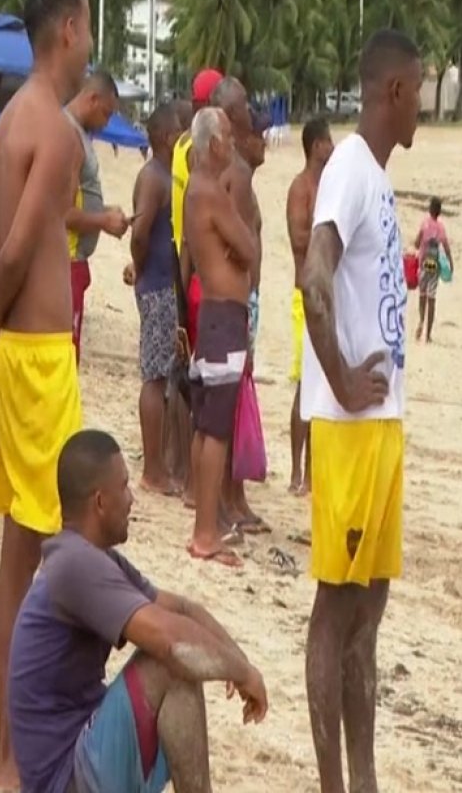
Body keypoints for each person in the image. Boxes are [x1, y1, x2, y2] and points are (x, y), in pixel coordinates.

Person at [0, 0, 91, 786]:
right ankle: (24, 756)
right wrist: (2, 331)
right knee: (59, 557)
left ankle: (13, 752)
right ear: (69, 26)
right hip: (38, 358)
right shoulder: (59, 131)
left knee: (18, 565)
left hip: (12, 360)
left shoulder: (9, 121)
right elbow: (5, 261)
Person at [9, 429, 268, 793]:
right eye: (125, 487)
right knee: (169, 664)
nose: (132, 499)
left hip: (83, 752)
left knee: (180, 664)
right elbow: (171, 641)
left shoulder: (94, 558)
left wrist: (241, 665)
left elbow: (183, 609)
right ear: (100, 502)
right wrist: (241, 672)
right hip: (63, 778)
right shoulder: (75, 564)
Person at [300, 29, 421, 793]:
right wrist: (341, 380)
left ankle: (364, 781)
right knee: (335, 613)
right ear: (395, 92)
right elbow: (314, 272)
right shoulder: (348, 165)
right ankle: (331, 785)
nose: (422, 108)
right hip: (351, 430)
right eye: (420, 88)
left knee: (367, 618)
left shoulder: (375, 176)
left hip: (381, 428)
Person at [182, 107, 257, 568]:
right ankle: (205, 532)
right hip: (223, 316)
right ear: (214, 144)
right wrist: (241, 238)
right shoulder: (211, 191)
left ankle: (203, 522)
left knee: (206, 423)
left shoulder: (196, 190)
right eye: (228, 137)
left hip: (213, 311)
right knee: (216, 428)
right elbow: (248, 248)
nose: (232, 144)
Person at [212, 83, 270, 533]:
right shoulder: (239, 174)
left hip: (234, 295)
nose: (257, 124)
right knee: (234, 399)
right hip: (238, 296)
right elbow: (239, 241)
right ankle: (231, 499)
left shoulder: (225, 170)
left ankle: (234, 498)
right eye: (247, 111)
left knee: (234, 397)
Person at [130, 102, 188, 496]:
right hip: (157, 286)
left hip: (163, 285)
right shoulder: (154, 177)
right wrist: (141, 269)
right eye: (181, 131)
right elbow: (140, 232)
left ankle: (161, 463)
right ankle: (153, 469)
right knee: (154, 377)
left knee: (166, 374)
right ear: (169, 138)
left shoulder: (167, 175)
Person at [173, 70, 224, 510]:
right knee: (210, 407)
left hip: (189, 275)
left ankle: (188, 480)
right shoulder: (202, 170)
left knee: (193, 385)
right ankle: (202, 497)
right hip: (203, 287)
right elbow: (242, 243)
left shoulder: (179, 150)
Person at [64, 70, 129, 362]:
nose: (106, 123)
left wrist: (103, 211)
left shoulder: (77, 135)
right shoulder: (69, 137)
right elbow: (60, 212)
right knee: (66, 352)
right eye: (106, 113)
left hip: (74, 262)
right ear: (92, 99)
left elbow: (74, 199)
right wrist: (103, 221)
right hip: (66, 261)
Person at [286, 117, 334, 496]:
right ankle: (296, 470)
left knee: (323, 388)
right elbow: (300, 237)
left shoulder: (329, 186)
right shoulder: (301, 188)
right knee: (305, 386)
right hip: (305, 294)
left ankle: (315, 473)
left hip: (327, 297)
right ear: (315, 145)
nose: (332, 147)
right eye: (328, 141)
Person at [413, 195, 453, 343]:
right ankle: (428, 334)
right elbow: (447, 247)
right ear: (439, 212)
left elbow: (417, 243)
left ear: (430, 210)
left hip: (423, 263)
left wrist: (419, 244)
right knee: (432, 297)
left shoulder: (424, 224)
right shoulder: (441, 227)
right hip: (434, 266)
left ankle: (421, 320)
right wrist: (450, 262)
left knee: (422, 295)